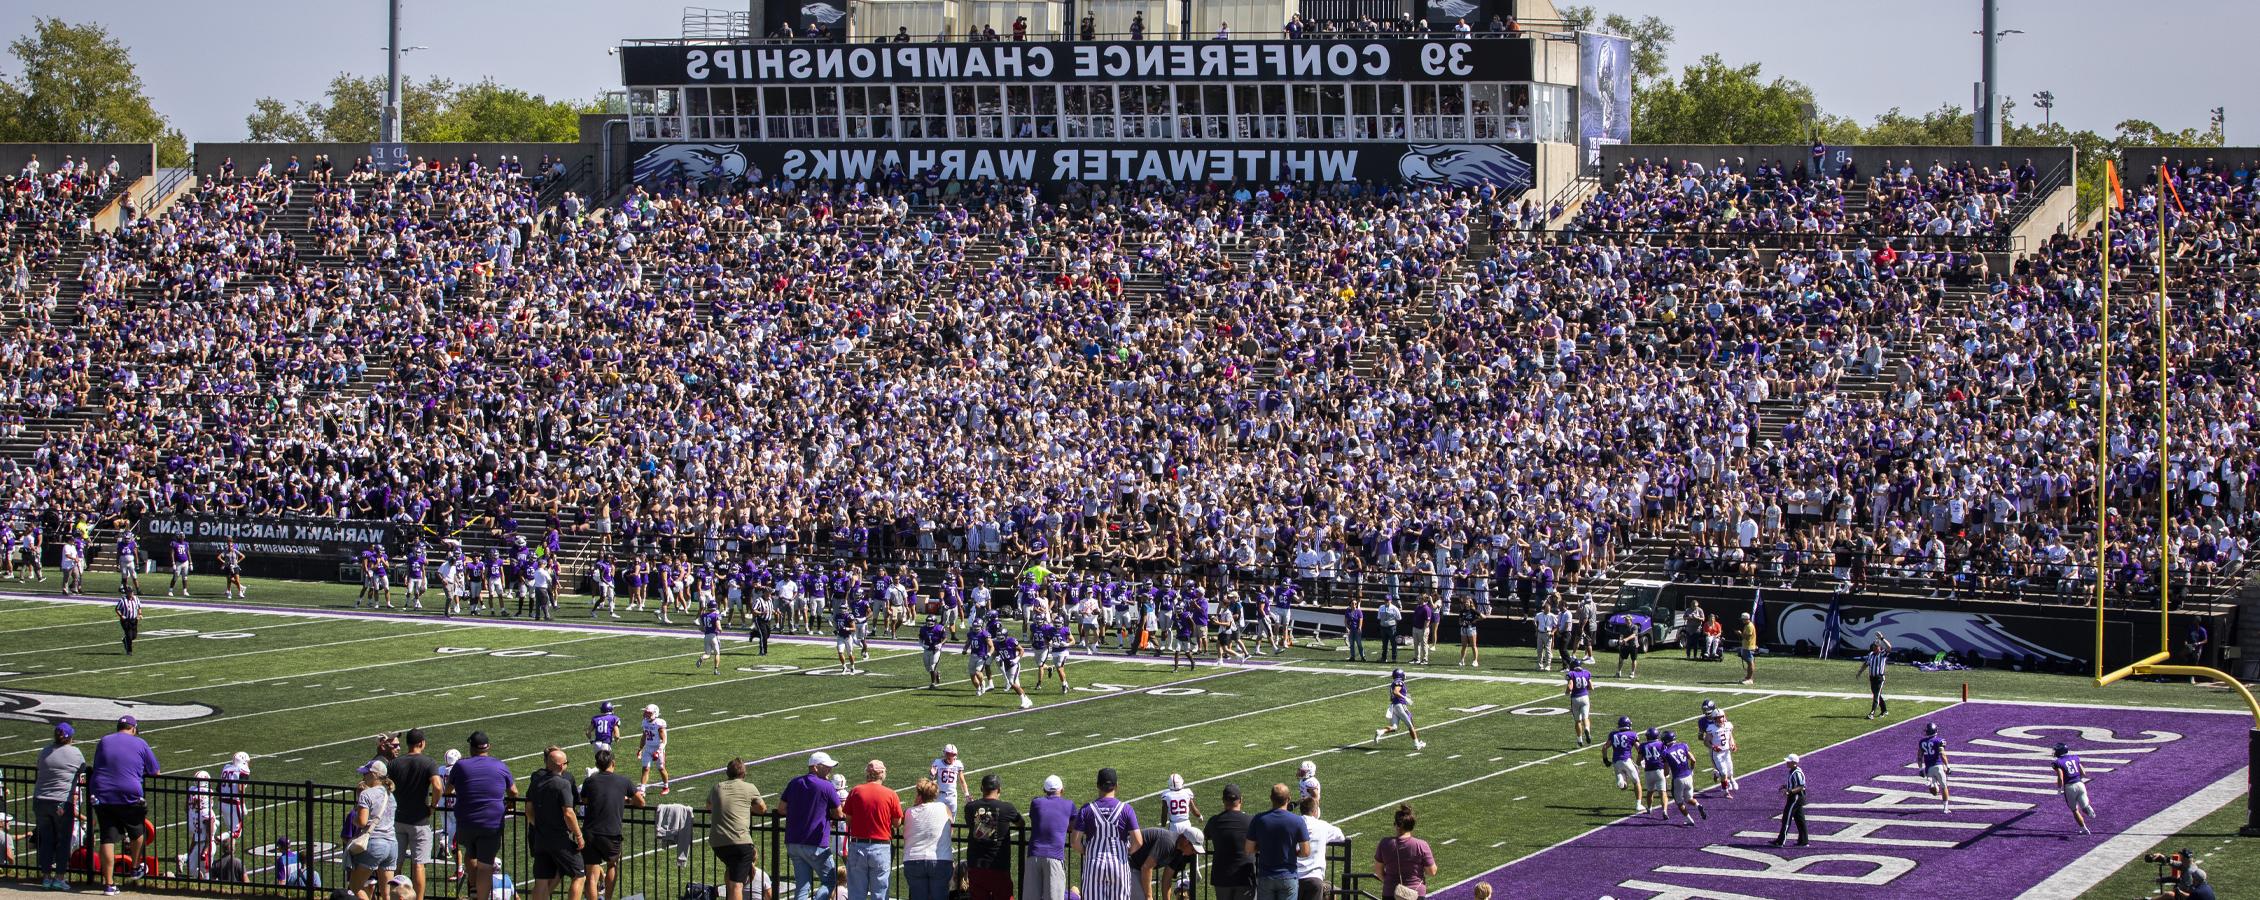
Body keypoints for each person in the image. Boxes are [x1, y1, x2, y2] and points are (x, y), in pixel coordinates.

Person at [89, 716, 159, 896]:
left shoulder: (104, 740)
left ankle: (109, 884)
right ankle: (135, 867)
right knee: (137, 832)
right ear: (133, 729)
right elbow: (155, 771)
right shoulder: (140, 743)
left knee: (107, 838)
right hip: (128, 794)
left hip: (102, 794)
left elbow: (97, 766)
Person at [446, 732, 519, 900]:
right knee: (486, 865)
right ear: (488, 747)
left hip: (466, 820)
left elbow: (448, 790)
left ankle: (473, 889)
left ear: (471, 748)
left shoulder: (461, 766)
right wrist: (509, 804)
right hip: (491, 822)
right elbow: (514, 791)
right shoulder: (499, 765)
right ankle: (481, 896)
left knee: (470, 853)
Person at [391, 729, 446, 900]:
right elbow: (438, 786)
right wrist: (433, 805)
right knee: (419, 865)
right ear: (422, 743)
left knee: (395, 864)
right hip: (419, 820)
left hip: (398, 818)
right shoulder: (428, 762)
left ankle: (393, 896)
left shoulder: (394, 763)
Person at [580, 748, 641, 900]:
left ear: (597, 764)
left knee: (591, 875)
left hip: (590, 831)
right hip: (611, 831)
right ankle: (608, 898)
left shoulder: (590, 781)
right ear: (613, 763)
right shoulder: (623, 781)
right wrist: (626, 800)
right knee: (612, 865)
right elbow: (641, 802)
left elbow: (585, 800)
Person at [1073, 768, 1143, 900]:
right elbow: (1138, 841)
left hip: (1094, 864)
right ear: (1116, 786)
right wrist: (1127, 851)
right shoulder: (1126, 809)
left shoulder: (1087, 809)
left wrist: (1087, 851)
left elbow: (1075, 842)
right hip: (1119, 864)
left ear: (1098, 785)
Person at [783, 752, 845, 900]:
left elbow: (781, 808)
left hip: (793, 841)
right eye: (827, 767)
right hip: (815, 843)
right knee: (830, 880)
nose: (830, 770)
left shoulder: (794, 782)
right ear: (816, 767)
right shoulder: (826, 786)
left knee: (802, 885)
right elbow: (838, 813)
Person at [708, 757, 770, 900]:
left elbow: (709, 806)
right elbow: (762, 809)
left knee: (732, 874)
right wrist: (745, 807)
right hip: (740, 841)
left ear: (727, 773)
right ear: (744, 774)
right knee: (737, 885)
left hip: (717, 842)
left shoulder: (717, 787)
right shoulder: (749, 787)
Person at [33, 721, 84, 891]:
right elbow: (82, 771)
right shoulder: (75, 753)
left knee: (46, 840)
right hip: (61, 801)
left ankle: (46, 877)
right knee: (63, 841)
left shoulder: (45, 750)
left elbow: (38, 767)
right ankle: (60, 877)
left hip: (40, 799)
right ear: (71, 737)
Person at [844, 760, 904, 900]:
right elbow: (897, 823)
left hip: (858, 845)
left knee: (856, 893)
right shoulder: (890, 794)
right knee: (880, 893)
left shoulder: (856, 791)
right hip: (880, 846)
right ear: (881, 774)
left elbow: (848, 820)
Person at [962, 774, 1022, 900]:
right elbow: (1021, 823)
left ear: (981, 789)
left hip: (975, 865)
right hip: (998, 865)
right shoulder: (1007, 808)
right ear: (999, 790)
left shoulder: (970, 807)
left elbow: (970, 824)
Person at [346, 760, 399, 900]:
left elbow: (362, 822)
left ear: (374, 775)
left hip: (375, 843)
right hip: (392, 844)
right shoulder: (390, 795)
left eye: (366, 774)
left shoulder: (366, 794)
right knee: (387, 893)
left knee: (355, 886)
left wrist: (354, 819)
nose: (363, 777)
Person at [1247, 785, 1307, 900]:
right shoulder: (1298, 821)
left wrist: (1263, 847)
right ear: (1288, 799)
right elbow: (1306, 851)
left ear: (1271, 798)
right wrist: (1294, 852)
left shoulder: (1259, 819)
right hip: (1288, 875)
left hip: (1266, 875)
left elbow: (1249, 848)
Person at [902, 779, 954, 900]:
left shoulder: (909, 812)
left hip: (913, 859)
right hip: (940, 858)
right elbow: (951, 829)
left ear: (919, 795)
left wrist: (916, 804)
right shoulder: (943, 807)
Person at [1024, 775, 1074, 900]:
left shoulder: (1036, 803)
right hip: (1055, 856)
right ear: (1062, 790)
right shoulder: (1069, 805)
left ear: (1044, 790)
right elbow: (1073, 826)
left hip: (1034, 855)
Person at [1370, 805, 1433, 900]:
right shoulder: (1421, 845)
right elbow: (1432, 871)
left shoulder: (1385, 843)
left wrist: (1389, 882)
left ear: (1396, 825)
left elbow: (1379, 871)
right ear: (1412, 826)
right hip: (1415, 893)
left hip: (1391, 892)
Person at [1203, 784, 1253, 900]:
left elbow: (1205, 835)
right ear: (1241, 800)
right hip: (1244, 877)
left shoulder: (1214, 821)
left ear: (1223, 800)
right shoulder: (1250, 821)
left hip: (1222, 877)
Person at [1293, 797, 1340, 900]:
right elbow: (1340, 836)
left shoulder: (1293, 824)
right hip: (1314, 878)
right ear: (1315, 811)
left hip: (1293, 877)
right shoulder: (1322, 825)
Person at [1660, 731, 1706, 826]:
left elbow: (1666, 772)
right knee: (1689, 798)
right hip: (1688, 776)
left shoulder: (1665, 753)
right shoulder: (1683, 745)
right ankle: (1698, 805)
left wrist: (1664, 775)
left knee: (1679, 802)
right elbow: (1693, 760)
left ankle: (1689, 820)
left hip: (1678, 779)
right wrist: (1692, 770)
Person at [1374, 669, 1425, 750]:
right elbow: (1396, 692)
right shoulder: (1399, 682)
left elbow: (1392, 696)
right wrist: (1405, 698)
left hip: (1394, 706)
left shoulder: (1393, 683)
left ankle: (1381, 732)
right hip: (1400, 706)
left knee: (1394, 727)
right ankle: (1417, 744)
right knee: (1411, 725)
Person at [2053, 742, 2095, 835]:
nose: (2054, 752)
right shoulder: (2075, 757)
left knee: (2074, 810)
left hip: (2069, 787)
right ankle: (2087, 807)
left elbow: (2060, 776)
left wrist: (2059, 789)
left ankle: (2084, 829)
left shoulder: (2057, 762)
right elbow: (2083, 773)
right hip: (2080, 784)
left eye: (2055, 750)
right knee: (2084, 806)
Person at [1602, 717, 1643, 812]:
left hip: (1616, 762)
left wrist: (1605, 760)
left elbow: (1604, 748)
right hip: (1627, 760)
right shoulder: (1632, 734)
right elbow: (1639, 749)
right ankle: (1638, 805)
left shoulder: (1613, 734)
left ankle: (1621, 780)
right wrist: (1641, 759)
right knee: (1637, 782)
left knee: (1624, 786)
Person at [1772, 754, 1808, 847]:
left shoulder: (1797, 773)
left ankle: (1781, 841)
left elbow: (1801, 786)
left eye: (1789, 761)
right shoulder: (1792, 771)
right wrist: (1786, 786)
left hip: (1795, 798)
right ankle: (1803, 841)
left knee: (1786, 818)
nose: (1787, 762)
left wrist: (1790, 791)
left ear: (1794, 763)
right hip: (1795, 797)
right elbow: (1794, 784)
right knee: (1800, 820)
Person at [1917, 723, 1952, 814]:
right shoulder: (1939, 741)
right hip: (1938, 766)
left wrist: (1920, 769)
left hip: (1928, 768)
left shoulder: (1922, 742)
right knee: (1944, 787)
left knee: (1935, 792)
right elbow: (1942, 754)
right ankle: (1945, 808)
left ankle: (1931, 784)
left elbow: (1919, 757)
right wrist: (1947, 766)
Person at [636, 704, 671, 795]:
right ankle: (642, 789)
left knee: (661, 768)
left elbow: (664, 740)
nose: (646, 714)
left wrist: (659, 751)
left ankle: (666, 786)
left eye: (649, 713)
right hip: (648, 747)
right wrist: (640, 748)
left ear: (655, 713)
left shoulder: (659, 723)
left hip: (657, 747)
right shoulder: (644, 722)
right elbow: (644, 736)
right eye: (646, 712)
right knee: (645, 768)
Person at [1705, 709, 1739, 799]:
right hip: (1717, 754)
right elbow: (1706, 742)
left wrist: (1733, 744)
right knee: (1724, 773)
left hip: (1727, 752)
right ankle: (1725, 791)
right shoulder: (1711, 728)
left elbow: (1730, 737)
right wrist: (1713, 747)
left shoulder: (1728, 725)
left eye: (1722, 717)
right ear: (1714, 719)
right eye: (1718, 718)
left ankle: (1717, 774)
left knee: (1730, 771)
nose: (1720, 719)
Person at [1855, 638, 1891, 719]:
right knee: (1877, 695)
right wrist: (1860, 672)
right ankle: (1884, 710)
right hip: (1872, 678)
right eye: (1874, 646)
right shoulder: (1871, 654)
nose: (1875, 648)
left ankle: (1872, 713)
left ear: (1879, 647)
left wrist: (1882, 638)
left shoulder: (1882, 654)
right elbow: (1866, 664)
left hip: (1879, 678)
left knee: (1876, 696)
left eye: (1876, 647)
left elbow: (1889, 647)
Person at [1563, 658, 1593, 747]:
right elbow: (1591, 687)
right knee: (1586, 717)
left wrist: (1567, 692)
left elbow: (1570, 686)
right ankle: (1587, 729)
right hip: (1585, 697)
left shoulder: (1571, 674)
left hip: (1575, 699)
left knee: (1577, 720)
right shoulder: (1586, 673)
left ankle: (1579, 740)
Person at [931, 745, 967, 818]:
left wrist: (966, 794)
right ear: (945, 754)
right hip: (940, 795)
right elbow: (931, 779)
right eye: (949, 754)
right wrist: (932, 774)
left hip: (952, 796)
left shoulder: (958, 764)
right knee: (938, 818)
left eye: (953, 754)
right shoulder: (938, 762)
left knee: (951, 821)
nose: (951, 756)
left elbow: (962, 781)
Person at [697, 603, 726, 674]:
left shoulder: (703, 616)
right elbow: (719, 627)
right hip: (713, 636)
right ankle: (716, 670)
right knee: (717, 653)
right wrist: (721, 630)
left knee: (707, 654)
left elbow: (700, 628)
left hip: (706, 636)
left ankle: (702, 658)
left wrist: (706, 630)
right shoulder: (716, 616)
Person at [920, 616, 948, 688]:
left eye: (931, 621)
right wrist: (922, 645)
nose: (929, 623)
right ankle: (936, 674)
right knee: (928, 668)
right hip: (927, 649)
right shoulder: (923, 628)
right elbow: (920, 638)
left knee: (932, 667)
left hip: (936, 650)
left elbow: (945, 638)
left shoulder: (939, 628)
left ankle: (933, 683)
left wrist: (940, 644)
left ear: (935, 622)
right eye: (928, 621)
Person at [115, 586, 141, 655]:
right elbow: (117, 609)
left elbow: (139, 607)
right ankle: (129, 651)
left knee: (134, 636)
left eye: (132, 592)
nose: (131, 593)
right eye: (129, 592)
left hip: (134, 620)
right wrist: (121, 616)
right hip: (126, 620)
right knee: (129, 635)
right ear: (127, 593)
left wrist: (140, 614)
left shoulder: (136, 599)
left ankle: (125, 640)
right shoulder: (123, 600)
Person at [1533, 600, 1557, 671]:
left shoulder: (1552, 616)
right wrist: (1536, 629)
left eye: (1549, 610)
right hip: (1540, 633)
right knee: (1539, 650)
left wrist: (1553, 632)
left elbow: (1556, 625)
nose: (1548, 611)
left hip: (1548, 633)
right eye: (1547, 610)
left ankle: (1548, 665)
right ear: (1544, 609)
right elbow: (1534, 621)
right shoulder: (1539, 615)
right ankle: (1540, 665)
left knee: (1548, 650)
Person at [1374, 598, 1400, 664]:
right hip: (1383, 627)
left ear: (1390, 600)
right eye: (1385, 600)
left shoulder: (1394, 608)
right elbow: (1379, 617)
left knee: (1393, 643)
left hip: (1391, 627)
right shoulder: (1381, 607)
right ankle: (1384, 658)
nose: (1386, 601)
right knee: (1384, 644)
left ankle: (1394, 658)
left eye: (1388, 600)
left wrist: (1393, 624)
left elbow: (1399, 618)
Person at [1738, 614, 1759, 685]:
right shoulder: (1747, 625)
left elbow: (1747, 638)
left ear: (1746, 619)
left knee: (1750, 663)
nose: (1742, 621)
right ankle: (1747, 677)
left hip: (1749, 647)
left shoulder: (1749, 626)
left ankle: (1750, 679)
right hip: (1747, 646)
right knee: (1749, 662)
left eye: (1743, 619)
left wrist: (1740, 633)